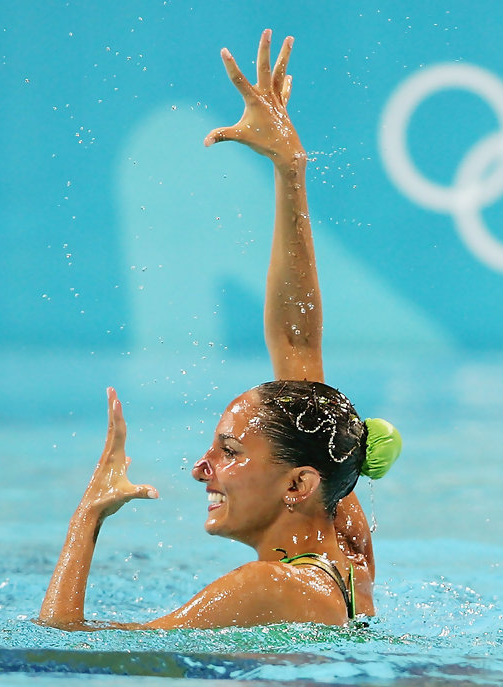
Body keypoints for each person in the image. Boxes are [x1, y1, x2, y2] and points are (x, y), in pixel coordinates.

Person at [38, 29, 401, 630]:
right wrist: (290, 171)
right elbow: (297, 344)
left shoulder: (265, 585)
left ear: (298, 484)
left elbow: (59, 649)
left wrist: (88, 514)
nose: (199, 468)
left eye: (229, 452)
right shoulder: (346, 555)